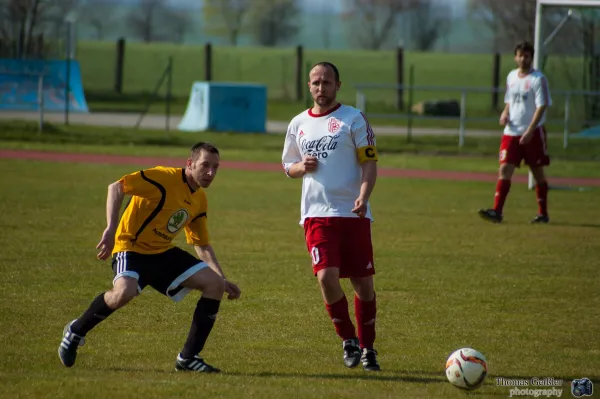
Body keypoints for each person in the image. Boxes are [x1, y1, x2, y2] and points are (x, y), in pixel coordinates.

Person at [58, 142, 241, 372]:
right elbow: (116, 187)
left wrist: (222, 279)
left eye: (216, 167)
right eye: (205, 165)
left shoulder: (199, 199)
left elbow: (201, 244)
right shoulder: (162, 178)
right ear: (190, 164)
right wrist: (111, 229)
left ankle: (188, 358)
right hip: (130, 247)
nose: (210, 173)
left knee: (214, 285)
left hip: (161, 251)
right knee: (124, 293)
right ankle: (75, 331)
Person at [281, 62, 380, 371]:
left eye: (326, 82)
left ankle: (368, 348)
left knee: (363, 285)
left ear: (338, 84)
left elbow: (369, 163)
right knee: (326, 276)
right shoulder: (298, 123)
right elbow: (288, 166)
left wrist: (363, 196)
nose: (320, 87)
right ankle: (348, 339)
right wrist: (302, 167)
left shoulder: (353, 118)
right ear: (309, 86)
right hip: (316, 215)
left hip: (353, 214)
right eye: (315, 82)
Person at [479, 41, 553, 224]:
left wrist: (530, 130)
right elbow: (510, 100)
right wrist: (505, 113)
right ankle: (497, 211)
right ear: (515, 57)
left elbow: (542, 106)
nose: (522, 59)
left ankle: (543, 213)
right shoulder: (512, 76)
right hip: (511, 132)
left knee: (537, 173)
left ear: (531, 57)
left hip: (532, 133)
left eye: (526, 56)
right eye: (520, 55)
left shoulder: (538, 79)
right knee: (504, 169)